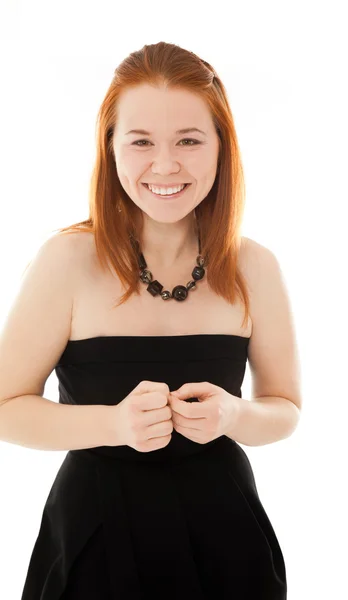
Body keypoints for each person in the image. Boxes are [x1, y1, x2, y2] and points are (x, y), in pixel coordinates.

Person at [0, 42, 302, 599]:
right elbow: (5, 408)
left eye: (189, 140)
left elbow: (284, 409)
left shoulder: (255, 266)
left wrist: (233, 415)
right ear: (111, 148)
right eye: (141, 142)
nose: (165, 165)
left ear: (221, 148)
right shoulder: (66, 261)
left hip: (228, 539)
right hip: (95, 538)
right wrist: (113, 426)